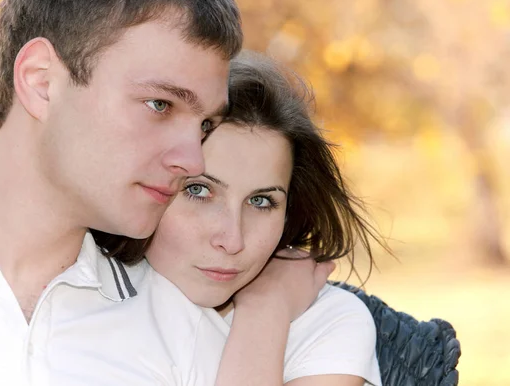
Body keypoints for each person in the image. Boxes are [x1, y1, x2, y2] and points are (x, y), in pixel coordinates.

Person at [0, 0, 242, 384]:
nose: (193, 161)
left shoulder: (187, 335)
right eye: (160, 105)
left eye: (205, 125)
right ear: (41, 82)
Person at [93, 52, 384, 385]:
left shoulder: (323, 320)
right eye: (199, 191)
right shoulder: (79, 289)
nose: (233, 240)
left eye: (261, 201)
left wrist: (265, 312)